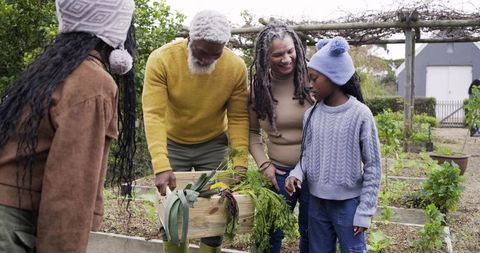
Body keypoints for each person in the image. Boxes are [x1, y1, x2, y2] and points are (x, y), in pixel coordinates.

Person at [0, 0, 137, 252]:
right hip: (13, 228)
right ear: (116, 31)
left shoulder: (49, 71)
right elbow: (69, 192)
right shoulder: (92, 83)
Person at [142, 10, 249, 253]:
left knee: (216, 213)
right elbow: (154, 114)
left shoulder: (235, 67)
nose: (208, 59)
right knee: (172, 212)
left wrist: (240, 164)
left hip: (213, 145)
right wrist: (161, 164)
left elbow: (239, 117)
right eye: (202, 52)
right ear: (190, 38)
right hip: (172, 143)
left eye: (216, 54)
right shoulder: (162, 60)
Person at [285, 36, 381, 253]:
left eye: (314, 78)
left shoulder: (360, 114)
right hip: (316, 205)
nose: (309, 85)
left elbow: (373, 165)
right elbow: (307, 156)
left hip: (349, 206)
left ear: (334, 77)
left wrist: (365, 211)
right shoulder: (311, 114)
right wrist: (297, 174)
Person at [248, 24, 313, 253]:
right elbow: (253, 133)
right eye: (277, 54)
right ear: (266, 56)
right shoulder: (259, 88)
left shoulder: (313, 79)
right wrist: (264, 165)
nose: (286, 59)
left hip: (316, 173)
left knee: (312, 232)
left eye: (290, 51)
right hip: (278, 173)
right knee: (269, 233)